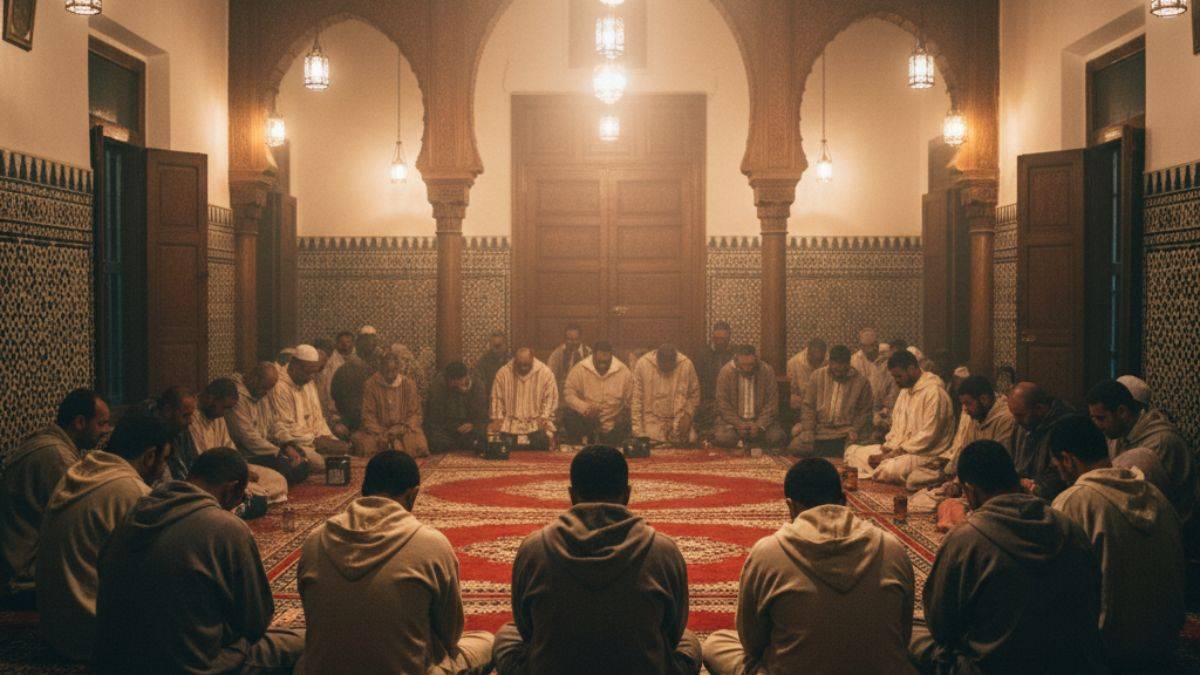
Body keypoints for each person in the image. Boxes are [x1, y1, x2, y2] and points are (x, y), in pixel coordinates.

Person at [93, 448, 305, 674]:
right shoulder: (226, 527)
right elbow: (255, 623)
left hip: (116, 665)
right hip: (189, 668)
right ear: (231, 489)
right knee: (307, 642)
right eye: (242, 498)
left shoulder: (133, 513)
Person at [492, 446, 700, 674]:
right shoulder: (663, 550)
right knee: (689, 640)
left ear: (572, 495)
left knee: (507, 634)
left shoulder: (534, 547)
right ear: (627, 494)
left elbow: (526, 629)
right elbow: (673, 632)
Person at [703, 458, 915, 675]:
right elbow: (903, 635)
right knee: (920, 632)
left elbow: (752, 643)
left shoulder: (768, 552)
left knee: (716, 644)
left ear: (791, 505)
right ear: (844, 500)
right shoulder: (892, 548)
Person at [911, 440, 1105, 673]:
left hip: (993, 668)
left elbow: (941, 626)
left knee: (910, 630)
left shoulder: (967, 538)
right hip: (1071, 665)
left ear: (970, 490)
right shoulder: (1069, 526)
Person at [296, 451, 493, 674]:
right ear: (413, 494)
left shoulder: (315, 541)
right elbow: (450, 635)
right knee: (487, 643)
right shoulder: (431, 544)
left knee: (301, 642)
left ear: (364, 489)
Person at [1048, 414, 1185, 669]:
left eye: (1056, 466)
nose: (1059, 473)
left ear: (1068, 459)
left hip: (1110, 651)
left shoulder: (1074, 502)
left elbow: (1058, 586)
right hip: (1166, 639)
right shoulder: (1154, 494)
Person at [36, 410, 171, 661]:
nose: (163, 469)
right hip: (94, 638)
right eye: (164, 460)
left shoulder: (80, 472)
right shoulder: (132, 491)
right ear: (150, 456)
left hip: (54, 630)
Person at [0, 389, 111, 602]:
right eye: (102, 424)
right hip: (22, 575)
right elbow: (79, 522)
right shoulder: (56, 457)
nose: (106, 431)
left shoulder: (50, 443)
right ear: (79, 422)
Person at [1087, 378, 1197, 528]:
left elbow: (1138, 499)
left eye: (1101, 418)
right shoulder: (1116, 432)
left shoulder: (1160, 443)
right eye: (1093, 418)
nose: (1097, 425)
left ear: (1122, 412)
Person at [845, 350, 954, 488]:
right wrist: (888, 448)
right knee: (852, 452)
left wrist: (891, 455)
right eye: (894, 376)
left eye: (898, 376)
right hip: (898, 451)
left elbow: (928, 436)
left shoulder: (935, 393)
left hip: (925, 455)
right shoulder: (904, 391)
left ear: (911, 369)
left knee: (890, 469)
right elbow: (896, 427)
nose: (896, 380)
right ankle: (879, 469)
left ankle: (882, 470)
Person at [191, 377, 289, 503]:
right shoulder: (192, 417)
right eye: (225, 407)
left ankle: (253, 498)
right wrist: (238, 473)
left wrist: (243, 468)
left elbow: (228, 446)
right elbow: (203, 460)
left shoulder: (217, 415)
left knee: (278, 480)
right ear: (210, 398)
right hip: (214, 476)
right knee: (253, 494)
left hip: (231, 469)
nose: (225, 413)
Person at [227, 361, 311, 486]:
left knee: (302, 460)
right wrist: (279, 452)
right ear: (253, 378)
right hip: (248, 454)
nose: (266, 393)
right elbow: (248, 438)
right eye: (264, 388)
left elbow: (274, 423)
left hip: (269, 450)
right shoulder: (237, 397)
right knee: (285, 466)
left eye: (268, 389)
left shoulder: (262, 392)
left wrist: (288, 445)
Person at [268, 343, 347, 470]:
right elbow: (285, 426)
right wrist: (316, 441)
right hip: (294, 443)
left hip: (316, 439)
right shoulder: (279, 386)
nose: (310, 377)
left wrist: (328, 437)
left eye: (313, 373)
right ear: (294, 365)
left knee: (342, 453)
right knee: (320, 463)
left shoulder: (308, 382)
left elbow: (318, 417)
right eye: (307, 372)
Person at [790, 345, 873, 457]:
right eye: (835, 366)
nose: (839, 370)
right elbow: (808, 407)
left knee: (856, 454)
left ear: (849, 364)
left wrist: (855, 430)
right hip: (820, 430)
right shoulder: (817, 376)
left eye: (843, 366)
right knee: (796, 447)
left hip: (847, 432)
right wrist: (808, 430)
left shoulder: (862, 382)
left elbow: (864, 412)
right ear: (830, 362)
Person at [352, 351, 429, 458]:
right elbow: (368, 415)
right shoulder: (370, 385)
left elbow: (415, 413)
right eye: (387, 370)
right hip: (378, 432)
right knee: (365, 444)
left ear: (398, 368)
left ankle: (393, 447)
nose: (390, 375)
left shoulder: (409, 384)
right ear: (381, 368)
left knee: (418, 444)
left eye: (393, 371)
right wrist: (383, 432)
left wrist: (401, 428)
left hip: (402, 430)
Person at [1007, 381, 1072, 500]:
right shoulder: (1023, 424)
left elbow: (1061, 477)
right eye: (1014, 415)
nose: (1016, 421)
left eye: (1020, 415)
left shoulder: (1065, 427)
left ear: (1039, 408)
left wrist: (1031, 486)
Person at [713, 345, 786, 450]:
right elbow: (722, 404)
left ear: (756, 359)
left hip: (760, 421)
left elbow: (772, 404)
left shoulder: (767, 371)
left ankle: (747, 442)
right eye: (743, 365)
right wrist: (738, 423)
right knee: (724, 438)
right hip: (733, 422)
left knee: (776, 437)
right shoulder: (725, 372)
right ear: (736, 360)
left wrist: (759, 425)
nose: (747, 369)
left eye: (751, 365)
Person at [562, 341, 633, 445]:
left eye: (606, 362)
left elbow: (632, 400)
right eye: (600, 362)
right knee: (569, 415)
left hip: (613, 425)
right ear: (593, 356)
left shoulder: (624, 372)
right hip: (587, 422)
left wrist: (623, 415)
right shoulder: (579, 369)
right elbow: (568, 393)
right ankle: (579, 446)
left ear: (611, 357)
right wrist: (584, 408)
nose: (603, 365)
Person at [943, 375, 1015, 475]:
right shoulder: (977, 415)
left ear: (984, 399)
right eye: (963, 404)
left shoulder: (1006, 419)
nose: (965, 409)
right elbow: (966, 451)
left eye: (968, 403)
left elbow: (999, 462)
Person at [630, 344, 701, 445]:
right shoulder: (643, 365)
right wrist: (638, 432)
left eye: (670, 366)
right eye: (664, 366)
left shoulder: (686, 364)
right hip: (652, 420)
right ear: (658, 360)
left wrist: (688, 415)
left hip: (678, 418)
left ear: (675, 360)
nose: (667, 369)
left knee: (691, 438)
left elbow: (694, 395)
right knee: (650, 441)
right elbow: (636, 401)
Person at [489, 347, 558, 450]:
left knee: (542, 441)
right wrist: (498, 418)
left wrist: (544, 417)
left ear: (532, 360)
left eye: (527, 365)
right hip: (510, 423)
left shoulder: (545, 373)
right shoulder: (503, 374)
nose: (523, 368)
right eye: (520, 365)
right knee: (502, 445)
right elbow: (496, 398)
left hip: (536, 422)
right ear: (514, 361)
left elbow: (550, 398)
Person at [425, 361, 490, 454]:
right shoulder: (439, 386)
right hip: (447, 428)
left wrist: (473, 425)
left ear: (466, 377)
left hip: (470, 427)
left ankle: (461, 444)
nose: (457, 387)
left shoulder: (477, 386)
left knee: (482, 437)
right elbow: (435, 417)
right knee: (435, 440)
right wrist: (454, 427)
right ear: (448, 379)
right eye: (454, 385)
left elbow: (482, 415)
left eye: (460, 383)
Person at [329, 333, 379, 436]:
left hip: (352, 417)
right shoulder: (368, 371)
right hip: (354, 418)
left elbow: (334, 393)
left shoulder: (344, 369)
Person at [850, 328, 896, 432]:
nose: (869, 349)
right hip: (862, 407)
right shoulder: (854, 361)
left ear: (877, 344)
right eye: (865, 346)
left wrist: (883, 409)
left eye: (872, 345)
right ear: (861, 346)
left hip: (884, 408)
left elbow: (892, 389)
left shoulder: (886, 361)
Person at [694, 322, 735, 434]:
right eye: (717, 339)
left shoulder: (735, 355)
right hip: (709, 399)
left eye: (723, 339)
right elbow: (698, 382)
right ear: (712, 338)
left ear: (729, 338)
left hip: (730, 400)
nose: (720, 342)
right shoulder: (703, 355)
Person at [154, 386, 198, 482]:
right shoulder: (152, 433)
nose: (191, 421)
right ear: (167, 410)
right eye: (186, 415)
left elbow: (194, 461)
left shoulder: (180, 428)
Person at [317, 331, 356, 420]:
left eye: (348, 342)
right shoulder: (329, 363)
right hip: (333, 410)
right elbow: (324, 388)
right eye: (342, 343)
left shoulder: (357, 360)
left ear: (353, 344)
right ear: (337, 344)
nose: (345, 345)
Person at [545, 323, 590, 395]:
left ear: (581, 339)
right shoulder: (557, 354)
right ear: (565, 339)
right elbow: (549, 375)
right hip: (562, 391)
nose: (573, 343)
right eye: (570, 340)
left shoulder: (589, 354)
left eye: (576, 339)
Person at [786, 337, 828, 413]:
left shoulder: (829, 361)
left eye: (820, 360)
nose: (817, 364)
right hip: (801, 404)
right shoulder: (793, 364)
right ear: (808, 354)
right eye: (815, 360)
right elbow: (790, 392)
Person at [474, 330, 512, 400]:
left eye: (498, 346)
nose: (495, 350)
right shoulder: (483, 362)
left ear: (505, 345)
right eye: (492, 347)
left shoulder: (512, 361)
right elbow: (479, 384)